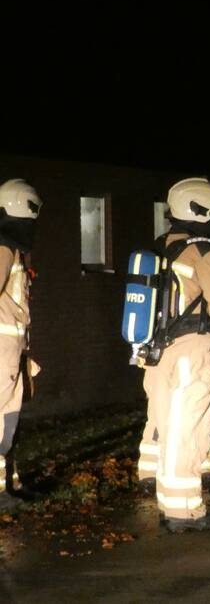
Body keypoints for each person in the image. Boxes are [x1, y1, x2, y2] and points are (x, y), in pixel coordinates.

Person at [147, 178, 210, 532]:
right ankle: (186, 512)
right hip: (195, 349)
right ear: (204, 211)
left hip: (160, 352)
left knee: (170, 426)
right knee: (190, 428)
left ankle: (171, 503)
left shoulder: (161, 248)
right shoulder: (204, 252)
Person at [0, 179, 42, 512]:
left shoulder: (12, 248)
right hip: (1, 349)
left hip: (12, 349)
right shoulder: (2, 248)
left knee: (8, 419)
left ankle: (8, 486)